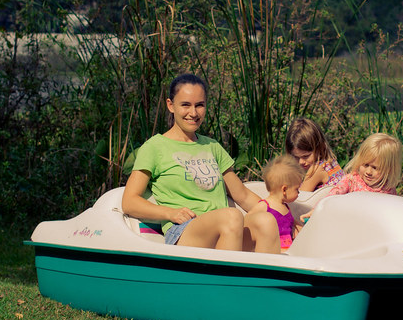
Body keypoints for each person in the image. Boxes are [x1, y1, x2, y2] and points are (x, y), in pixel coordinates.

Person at [121, 73, 281, 252]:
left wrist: (283, 216)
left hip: (226, 225)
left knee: (266, 221)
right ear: (170, 105)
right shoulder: (154, 147)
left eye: (199, 105)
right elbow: (129, 201)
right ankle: (225, 280)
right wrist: (170, 212)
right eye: (185, 105)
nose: (193, 113)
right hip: (185, 230)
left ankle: (266, 280)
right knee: (232, 216)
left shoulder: (212, 146)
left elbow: (242, 195)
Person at [247, 155, 304, 251]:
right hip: (272, 249)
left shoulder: (285, 206)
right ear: (284, 189)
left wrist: (301, 230)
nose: (299, 193)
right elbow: (248, 220)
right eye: (296, 189)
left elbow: (293, 222)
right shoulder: (264, 205)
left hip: (288, 248)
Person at [328, 132, 403, 197]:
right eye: (366, 165)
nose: (369, 172)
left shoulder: (388, 189)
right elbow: (331, 198)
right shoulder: (351, 181)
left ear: (388, 169)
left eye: (375, 168)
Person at [284, 117, 345, 192]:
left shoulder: (317, 169)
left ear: (320, 147)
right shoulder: (330, 163)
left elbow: (302, 198)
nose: (301, 162)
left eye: (306, 156)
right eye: (296, 157)